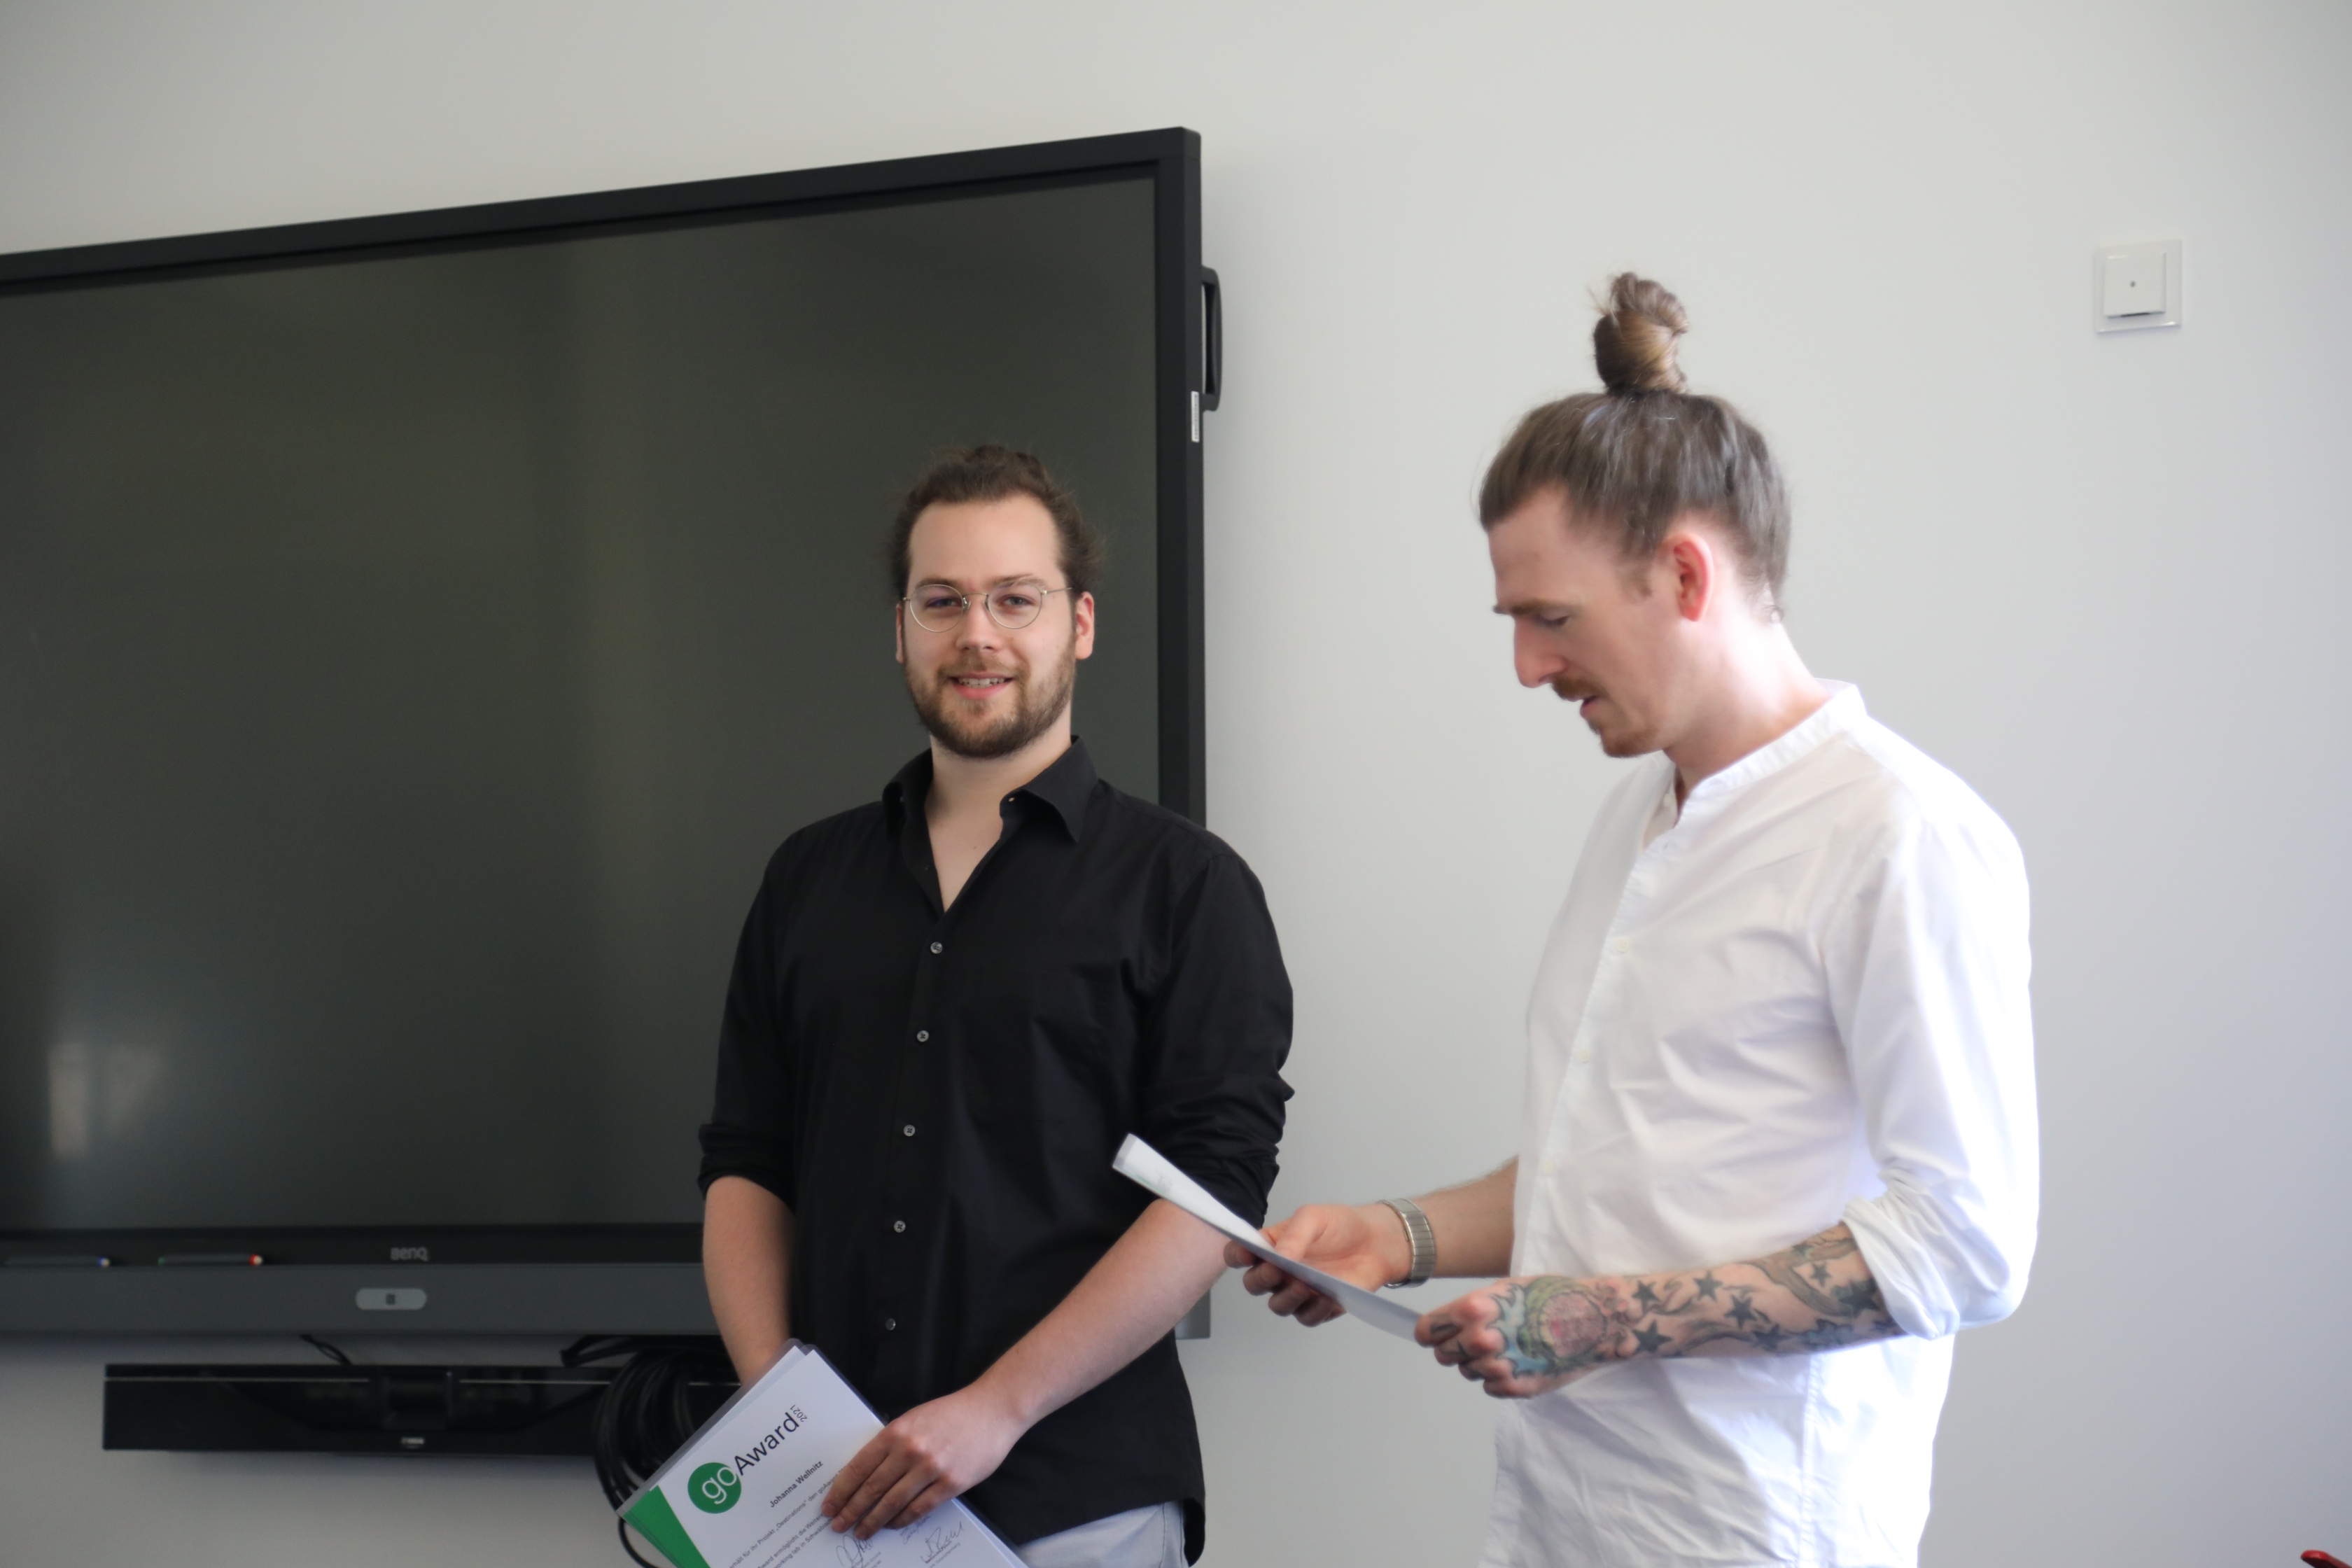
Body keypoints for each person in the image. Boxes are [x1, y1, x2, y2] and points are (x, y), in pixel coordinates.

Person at [1229, 276, 2038, 1567]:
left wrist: (1602, 1321)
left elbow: (1966, 1247)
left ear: (1684, 573)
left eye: (1552, 619)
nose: (1528, 668)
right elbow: (1616, 1165)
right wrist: (1400, 1234)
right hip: (1566, 1517)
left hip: (1755, 1531)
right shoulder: (1639, 816)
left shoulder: (1900, 835)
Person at [699, 445, 1292, 1568]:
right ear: (901, 629)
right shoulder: (806, 879)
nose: (977, 634)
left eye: (1015, 599)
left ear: (1080, 624)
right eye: (943, 601)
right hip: (828, 1504)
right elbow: (746, 1159)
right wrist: (782, 1411)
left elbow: (1215, 1189)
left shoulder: (1189, 888)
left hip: (1078, 1506)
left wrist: (999, 1408)